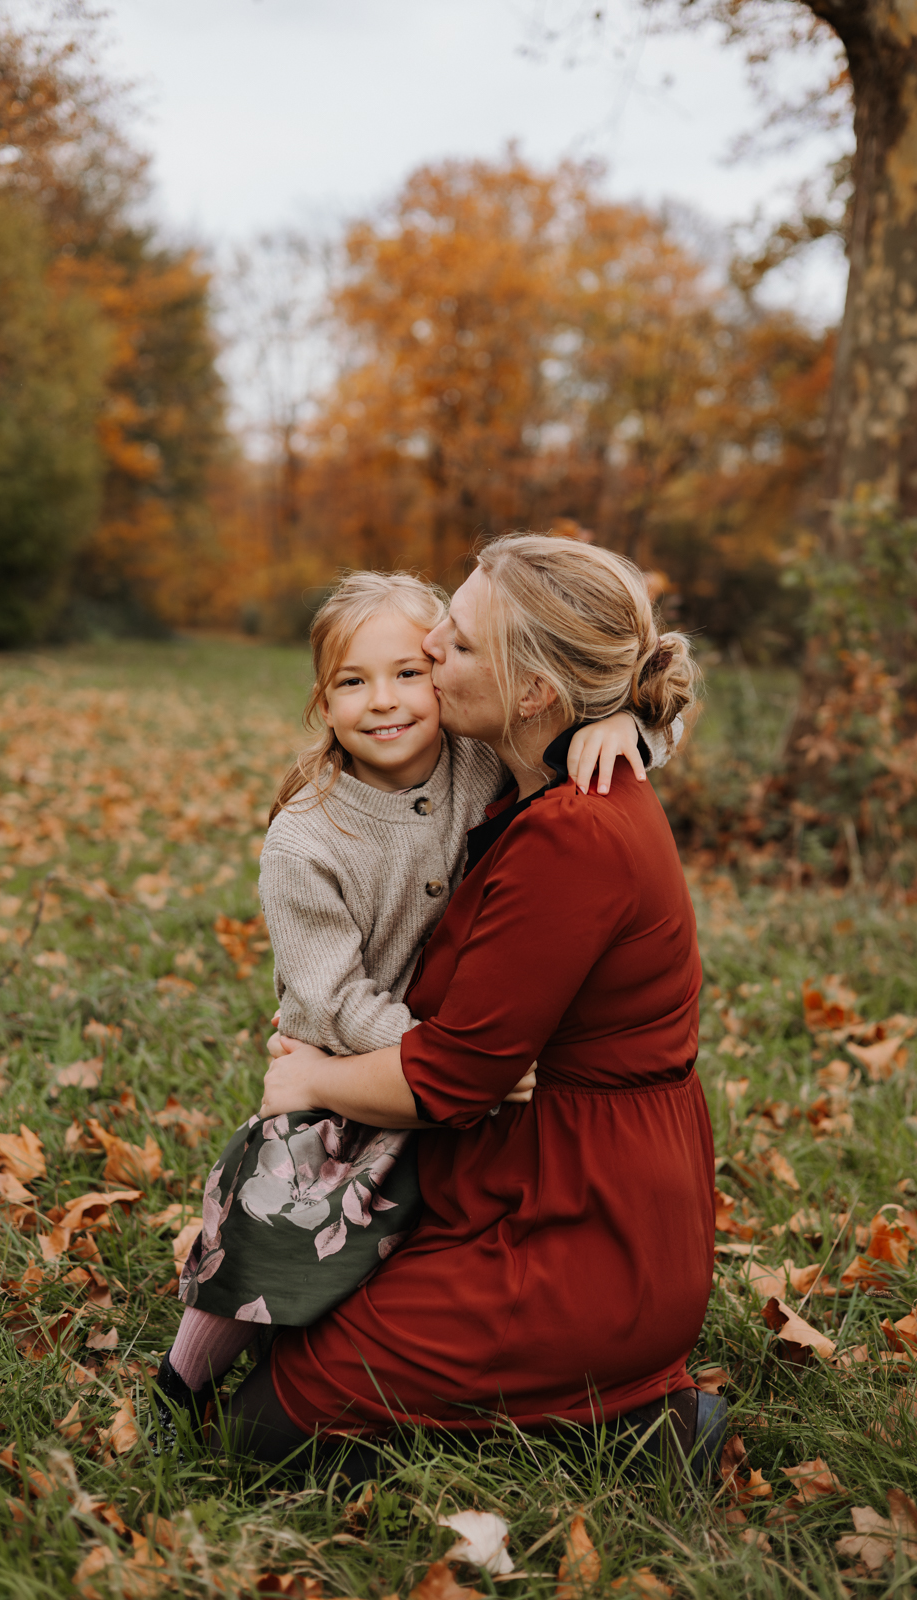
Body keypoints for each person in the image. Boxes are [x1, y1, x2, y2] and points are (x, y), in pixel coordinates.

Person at [201, 534, 722, 1478]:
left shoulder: (574, 827)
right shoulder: (539, 775)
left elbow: (456, 1075)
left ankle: (647, 1429)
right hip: (532, 1171)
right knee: (293, 1321)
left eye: (459, 640)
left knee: (270, 1429)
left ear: (534, 694)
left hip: (582, 1223)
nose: (432, 644)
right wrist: (628, 726)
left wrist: (312, 1073)